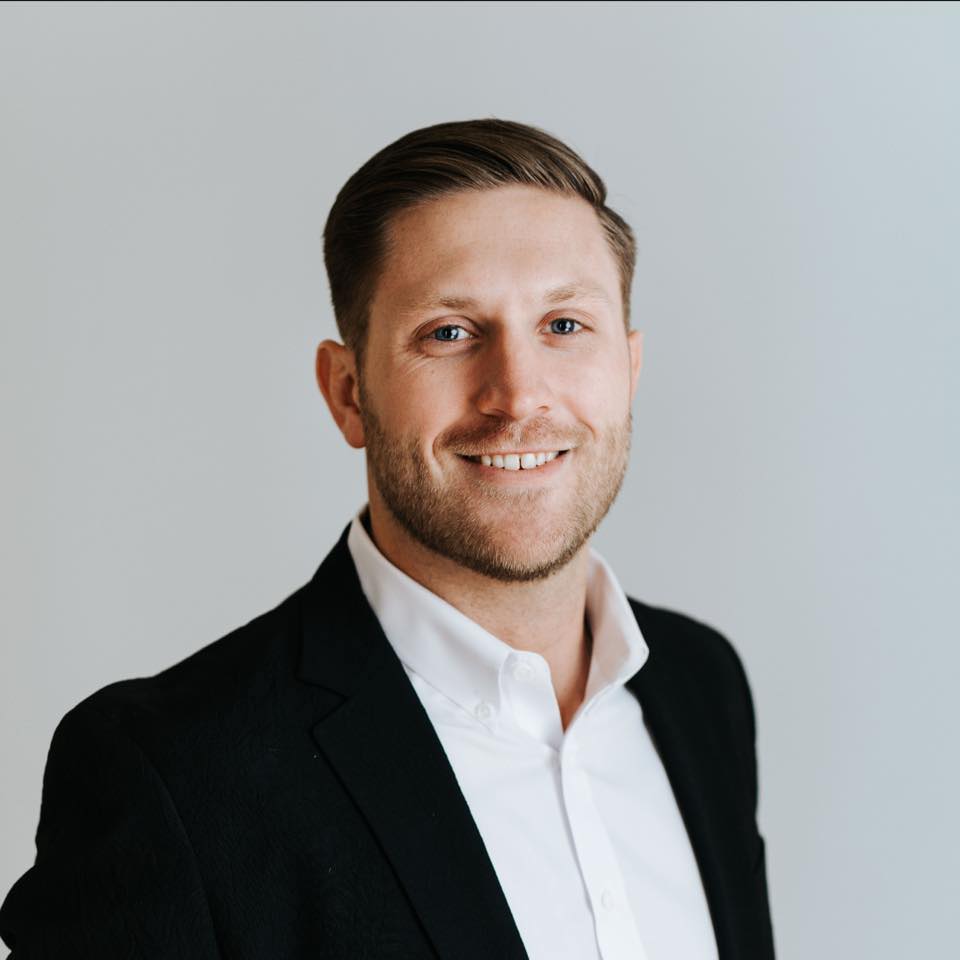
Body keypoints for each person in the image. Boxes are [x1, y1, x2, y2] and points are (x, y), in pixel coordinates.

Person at [0, 118, 775, 959]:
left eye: (563, 325)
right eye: (449, 332)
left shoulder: (700, 688)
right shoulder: (173, 776)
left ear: (630, 367)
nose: (519, 395)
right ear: (347, 393)